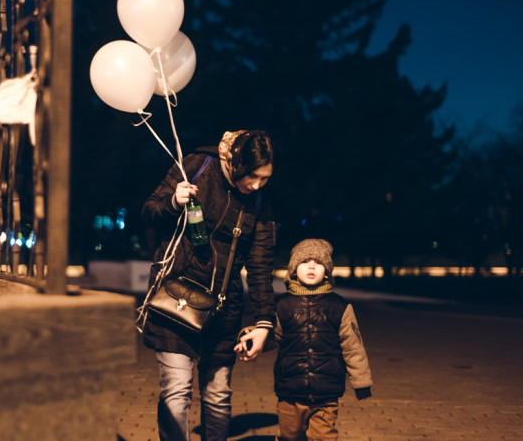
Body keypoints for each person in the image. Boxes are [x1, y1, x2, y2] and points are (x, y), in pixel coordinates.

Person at [141, 130, 277, 441]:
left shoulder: (259, 200)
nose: (257, 184)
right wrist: (173, 202)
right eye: (252, 176)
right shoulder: (198, 166)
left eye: (265, 178)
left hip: (223, 308)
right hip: (177, 299)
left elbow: (260, 265)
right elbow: (149, 211)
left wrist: (263, 323)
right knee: (177, 390)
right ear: (236, 162)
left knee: (217, 393)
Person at [243, 238, 372, 441]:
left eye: (318, 263)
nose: (311, 266)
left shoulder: (339, 306)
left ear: (327, 272)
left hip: (326, 391)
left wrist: (361, 382)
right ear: (293, 270)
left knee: (324, 437)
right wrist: (251, 338)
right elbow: (271, 335)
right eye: (304, 262)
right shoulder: (282, 305)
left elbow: (353, 347)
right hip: (290, 389)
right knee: (289, 436)